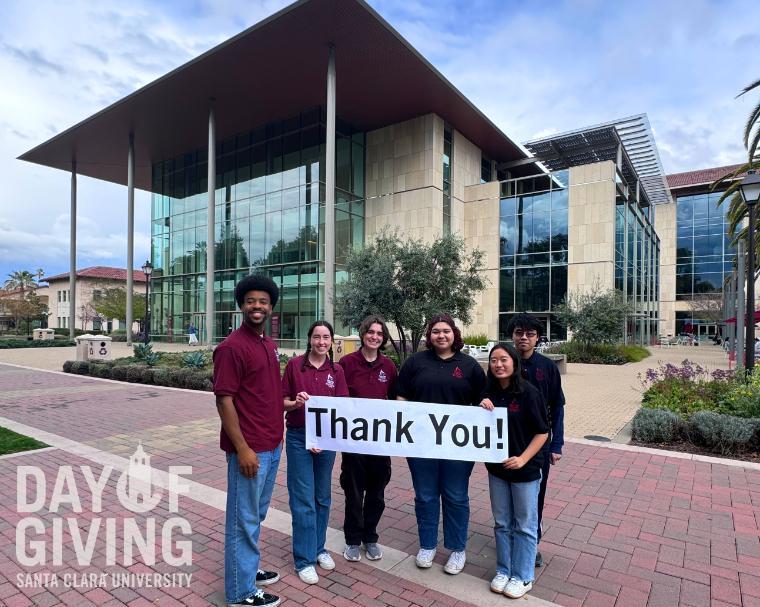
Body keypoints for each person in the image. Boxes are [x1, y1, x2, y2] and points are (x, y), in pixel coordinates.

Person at [396, 314, 487, 575]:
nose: (441, 336)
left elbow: (483, 398)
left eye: (445, 331)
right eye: (435, 331)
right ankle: (427, 545)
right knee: (425, 496)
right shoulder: (415, 362)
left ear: (454, 334)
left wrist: (485, 405)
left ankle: (457, 549)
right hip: (421, 445)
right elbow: (401, 396)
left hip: (458, 447)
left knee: (456, 496)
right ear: (430, 335)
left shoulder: (469, 365)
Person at [212, 274, 283, 607]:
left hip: (273, 445)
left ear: (271, 307)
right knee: (243, 520)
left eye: (264, 301)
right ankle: (240, 593)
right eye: (251, 300)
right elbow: (224, 400)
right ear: (241, 305)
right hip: (250, 449)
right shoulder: (231, 348)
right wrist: (242, 449)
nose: (258, 306)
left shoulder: (268, 344)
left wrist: (289, 403)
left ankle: (247, 570)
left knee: (256, 514)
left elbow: (262, 392)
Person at [282, 320, 349, 585]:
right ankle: (304, 559)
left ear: (332, 341)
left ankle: (319, 548)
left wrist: (327, 436)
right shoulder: (295, 366)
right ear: (309, 339)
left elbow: (342, 408)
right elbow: (282, 402)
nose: (322, 342)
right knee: (303, 499)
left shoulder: (337, 370)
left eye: (326, 338)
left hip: (326, 441)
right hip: (299, 438)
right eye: (317, 337)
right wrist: (295, 403)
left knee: (322, 497)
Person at [480, 343, 548, 599]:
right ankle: (503, 570)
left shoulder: (529, 393)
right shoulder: (488, 393)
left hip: (525, 471)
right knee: (501, 523)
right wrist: (481, 405)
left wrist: (522, 459)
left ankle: (523, 575)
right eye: (493, 360)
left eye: (504, 359)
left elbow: (543, 432)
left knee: (524, 525)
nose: (498, 364)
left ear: (514, 363)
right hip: (497, 471)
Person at [507, 313, 565, 568]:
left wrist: (557, 444)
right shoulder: (503, 363)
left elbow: (558, 406)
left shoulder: (547, 368)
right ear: (512, 335)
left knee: (535, 494)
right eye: (519, 333)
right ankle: (509, 536)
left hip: (538, 442)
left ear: (538, 338)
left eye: (529, 334)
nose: (523, 338)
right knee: (506, 491)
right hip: (507, 440)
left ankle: (532, 541)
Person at [339, 315, 398, 562]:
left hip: (380, 442)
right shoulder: (346, 363)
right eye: (370, 332)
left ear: (383, 338)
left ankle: (370, 537)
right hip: (353, 442)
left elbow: (397, 402)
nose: (375, 336)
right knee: (353, 492)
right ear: (363, 333)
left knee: (377, 493)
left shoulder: (389, 367)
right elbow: (337, 400)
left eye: (379, 333)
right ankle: (352, 539)